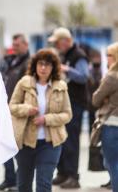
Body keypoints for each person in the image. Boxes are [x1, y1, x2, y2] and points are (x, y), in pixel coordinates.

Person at [10, 49, 72, 192]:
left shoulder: (60, 86)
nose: (43, 68)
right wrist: (26, 109)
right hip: (25, 142)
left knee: (44, 184)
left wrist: (47, 119)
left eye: (48, 65)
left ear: (53, 67)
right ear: (35, 65)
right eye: (40, 64)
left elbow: (67, 114)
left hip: (51, 143)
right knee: (24, 185)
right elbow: (12, 107)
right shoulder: (24, 83)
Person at [48, 27, 89, 188]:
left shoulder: (79, 56)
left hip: (75, 104)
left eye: (58, 42)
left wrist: (67, 69)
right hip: (64, 104)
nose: (57, 45)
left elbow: (83, 77)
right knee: (62, 139)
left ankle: (73, 176)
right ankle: (63, 172)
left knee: (71, 140)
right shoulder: (64, 55)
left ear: (65, 41)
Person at [0, 33, 30, 191]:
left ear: (26, 45)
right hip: (7, 108)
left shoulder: (29, 64)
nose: (14, 48)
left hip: (19, 111)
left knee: (18, 148)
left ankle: (19, 181)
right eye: (14, 45)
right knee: (5, 144)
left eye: (17, 45)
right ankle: (10, 179)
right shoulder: (13, 61)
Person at [92, 42, 118, 192]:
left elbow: (95, 99)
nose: (106, 58)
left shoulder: (111, 77)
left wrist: (106, 99)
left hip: (112, 125)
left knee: (112, 164)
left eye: (109, 55)